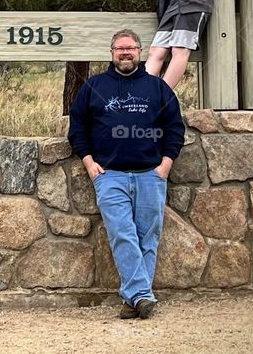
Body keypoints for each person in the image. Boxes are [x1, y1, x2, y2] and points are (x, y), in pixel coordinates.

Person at [68, 29, 184, 320]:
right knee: (123, 234)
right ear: (111, 53)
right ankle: (143, 295)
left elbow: (175, 129)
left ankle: (134, 299)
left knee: (148, 238)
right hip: (110, 176)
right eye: (119, 49)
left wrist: (165, 166)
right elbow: (77, 128)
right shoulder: (94, 86)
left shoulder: (157, 88)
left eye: (130, 48)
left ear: (140, 52)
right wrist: (90, 164)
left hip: (150, 175)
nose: (125, 53)